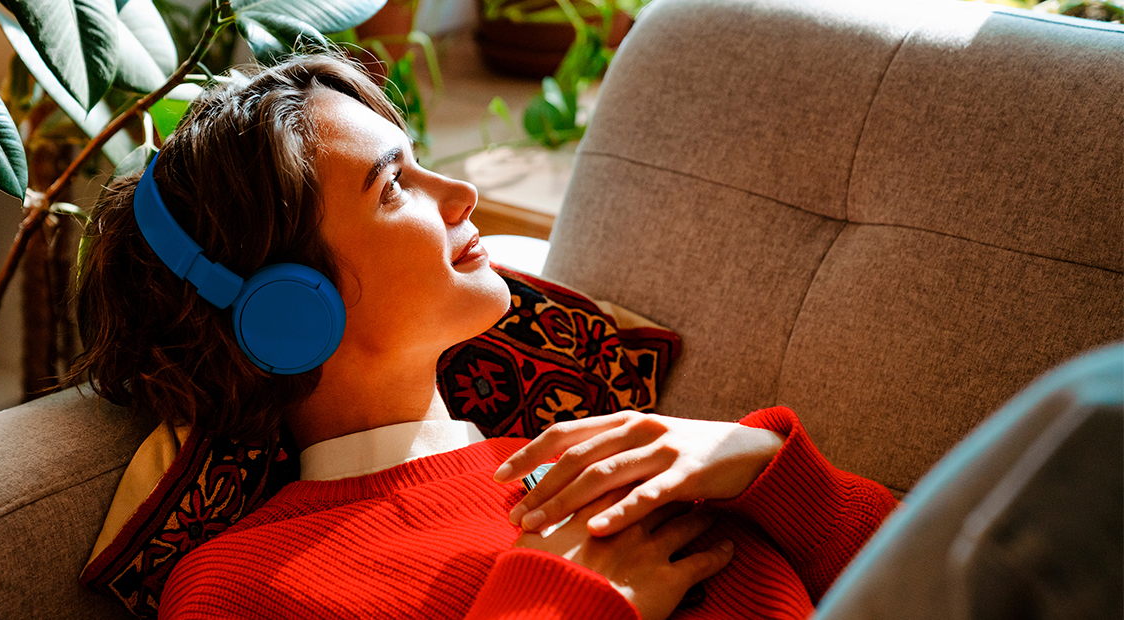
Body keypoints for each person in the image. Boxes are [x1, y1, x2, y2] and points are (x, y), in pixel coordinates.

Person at [71, 52, 897, 620]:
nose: (461, 190)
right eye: (394, 186)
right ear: (291, 309)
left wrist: (764, 470)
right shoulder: (236, 587)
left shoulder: (602, 462)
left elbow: (969, 575)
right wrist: (561, 601)